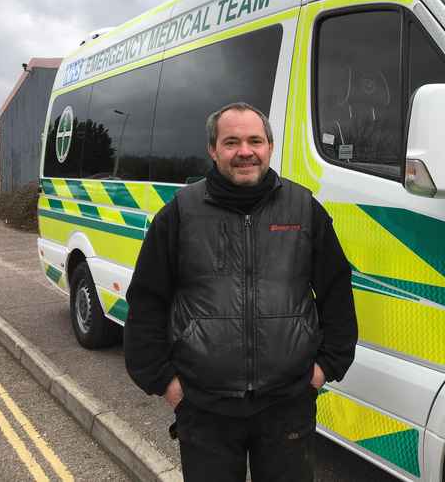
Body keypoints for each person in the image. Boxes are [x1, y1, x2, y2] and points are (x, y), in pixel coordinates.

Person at [124, 102, 357, 482]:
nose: (244, 151)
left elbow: (335, 291)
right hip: (204, 408)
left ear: (269, 147)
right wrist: (165, 381)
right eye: (231, 142)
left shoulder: (304, 210)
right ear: (213, 150)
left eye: (255, 140)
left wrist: (325, 368)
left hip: (288, 406)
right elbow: (148, 300)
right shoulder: (180, 214)